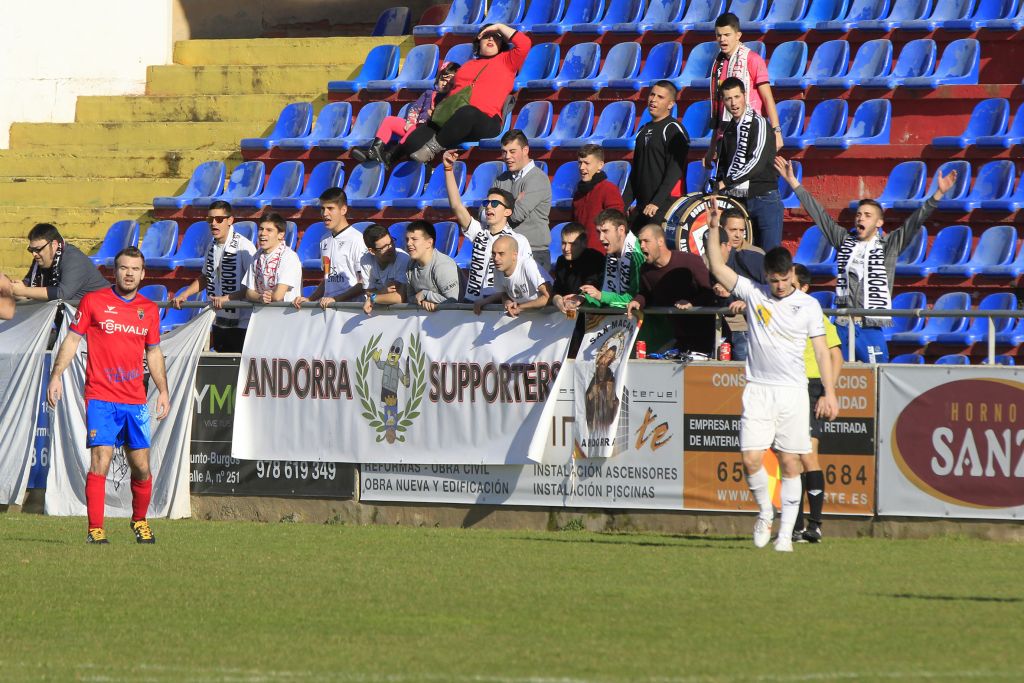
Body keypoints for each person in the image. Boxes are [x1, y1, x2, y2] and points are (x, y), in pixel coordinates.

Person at [704, 198, 839, 553]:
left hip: (793, 393)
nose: (779, 286)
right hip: (759, 389)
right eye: (774, 280)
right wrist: (714, 226)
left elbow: (823, 352)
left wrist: (830, 391)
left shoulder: (809, 306)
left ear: (792, 274)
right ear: (766, 277)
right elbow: (718, 267)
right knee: (750, 457)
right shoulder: (755, 294)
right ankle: (765, 510)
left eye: (784, 280)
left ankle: (785, 535)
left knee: (790, 461)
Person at [776, 157, 958, 363]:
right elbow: (819, 216)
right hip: (843, 324)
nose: (861, 218)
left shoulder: (889, 246)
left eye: (867, 215)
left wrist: (938, 194)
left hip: (870, 324)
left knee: (876, 378)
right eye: (859, 214)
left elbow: (914, 222)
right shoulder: (844, 240)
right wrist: (794, 183)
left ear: (879, 222)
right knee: (838, 377)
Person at [45, 246, 169, 545]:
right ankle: (95, 529)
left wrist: (163, 390)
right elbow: (72, 338)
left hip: (135, 400)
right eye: (124, 268)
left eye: (135, 269)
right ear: (115, 271)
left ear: (143, 273)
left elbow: (153, 352)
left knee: (141, 467)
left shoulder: (148, 310)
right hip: (101, 396)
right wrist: (56, 374)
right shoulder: (94, 301)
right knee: (100, 459)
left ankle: (139, 521)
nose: (129, 273)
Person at [402, 23, 530, 164]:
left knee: (468, 113)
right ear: (478, 41)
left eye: (496, 37)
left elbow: (525, 43)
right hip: (453, 119)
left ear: (502, 43)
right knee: (413, 144)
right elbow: (454, 93)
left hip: (486, 122)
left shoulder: (508, 60)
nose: (491, 39)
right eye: (486, 36)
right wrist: (438, 109)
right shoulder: (467, 66)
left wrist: (498, 26)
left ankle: (432, 149)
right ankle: (396, 161)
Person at [792, 263, 844, 544]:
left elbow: (836, 356)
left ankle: (815, 524)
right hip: (788, 387)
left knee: (808, 455)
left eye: (791, 282)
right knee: (790, 458)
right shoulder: (781, 313)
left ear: (804, 288)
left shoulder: (814, 315)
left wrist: (827, 391)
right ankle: (796, 526)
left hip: (811, 387)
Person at [443, 149, 532, 302]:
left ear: (508, 212)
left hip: (498, 304)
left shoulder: (518, 240)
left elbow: (525, 276)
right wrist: (448, 170)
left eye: (495, 203)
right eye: (487, 203)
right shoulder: (479, 233)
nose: (489, 207)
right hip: (471, 303)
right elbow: (457, 206)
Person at [171, 200, 256, 353]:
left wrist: (228, 298)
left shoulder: (244, 246)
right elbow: (205, 277)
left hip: (242, 324)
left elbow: (252, 285)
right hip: (218, 320)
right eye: (210, 219)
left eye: (219, 219)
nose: (214, 223)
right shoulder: (211, 246)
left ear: (230, 220)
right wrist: (185, 294)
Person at [713, 77, 782, 251]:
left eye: (737, 97)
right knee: (743, 257)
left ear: (745, 96)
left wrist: (726, 182)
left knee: (769, 258)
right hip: (739, 200)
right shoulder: (728, 129)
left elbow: (756, 162)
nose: (733, 103)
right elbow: (725, 165)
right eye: (728, 98)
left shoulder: (759, 123)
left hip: (764, 198)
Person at [626, 223, 716, 356]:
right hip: (678, 337)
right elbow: (646, 294)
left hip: (707, 334)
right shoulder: (645, 270)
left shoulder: (689, 261)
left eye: (646, 241)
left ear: (660, 241)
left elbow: (709, 292)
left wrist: (691, 303)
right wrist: (637, 301)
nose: (642, 245)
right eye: (640, 242)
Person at [707, 12, 783, 163]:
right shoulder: (718, 66)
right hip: (726, 136)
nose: (722, 39)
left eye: (727, 34)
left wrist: (776, 131)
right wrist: (712, 147)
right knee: (728, 185)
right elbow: (720, 107)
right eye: (718, 35)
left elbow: (767, 97)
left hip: (751, 134)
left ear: (738, 35)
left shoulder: (753, 59)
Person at [352, 61, 461, 166]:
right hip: (414, 127)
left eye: (449, 82)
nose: (445, 84)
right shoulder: (429, 93)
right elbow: (415, 109)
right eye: (443, 79)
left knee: (415, 130)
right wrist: (410, 122)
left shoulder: (450, 100)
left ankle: (391, 157)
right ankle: (374, 150)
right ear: (438, 79)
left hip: (428, 135)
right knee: (389, 120)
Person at [622, 80, 689, 233]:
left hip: (664, 207)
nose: (653, 100)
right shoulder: (643, 129)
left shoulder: (674, 129)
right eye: (652, 95)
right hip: (643, 207)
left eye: (660, 97)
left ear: (670, 104)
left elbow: (675, 171)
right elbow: (636, 173)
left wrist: (656, 203)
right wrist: (622, 205)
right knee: (636, 255)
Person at [707, 207, 767, 362]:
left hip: (751, 328)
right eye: (733, 229)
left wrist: (747, 302)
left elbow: (769, 291)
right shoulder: (710, 258)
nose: (738, 234)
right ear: (721, 230)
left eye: (741, 230)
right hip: (719, 327)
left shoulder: (756, 255)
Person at [489, 130, 553, 272]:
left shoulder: (538, 178)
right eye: (504, 152)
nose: (507, 157)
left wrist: (499, 207)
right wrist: (514, 202)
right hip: (506, 253)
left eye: (512, 151)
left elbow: (516, 215)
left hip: (533, 252)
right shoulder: (502, 178)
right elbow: (484, 212)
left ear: (525, 150)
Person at [293, 188, 366, 310]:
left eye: (330, 208)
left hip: (351, 311)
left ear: (343, 209)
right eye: (322, 208)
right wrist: (310, 299)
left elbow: (363, 283)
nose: (325, 213)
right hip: (330, 309)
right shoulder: (324, 239)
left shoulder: (357, 240)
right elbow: (328, 278)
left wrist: (336, 300)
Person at [7, 223, 108, 303]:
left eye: (38, 249)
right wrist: (10, 288)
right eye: (31, 250)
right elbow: (27, 286)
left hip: (104, 313)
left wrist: (24, 291)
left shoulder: (73, 258)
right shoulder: (40, 259)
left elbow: (62, 294)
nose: (34, 254)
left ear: (54, 245)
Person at [568, 209, 645, 310]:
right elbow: (607, 297)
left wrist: (600, 296)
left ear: (621, 230)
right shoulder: (611, 252)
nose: (600, 237)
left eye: (605, 231)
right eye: (598, 232)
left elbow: (634, 298)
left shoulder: (636, 256)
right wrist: (583, 299)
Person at [472, 235, 552, 317]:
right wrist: (507, 302)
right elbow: (503, 293)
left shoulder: (528, 265)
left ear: (514, 255)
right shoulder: (498, 269)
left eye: (501, 253)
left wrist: (520, 308)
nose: (496, 258)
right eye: (493, 253)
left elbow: (548, 296)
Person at [571, 144, 625, 253]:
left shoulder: (609, 189)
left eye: (586, 163)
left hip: (601, 256)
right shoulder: (578, 193)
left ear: (600, 165)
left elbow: (616, 225)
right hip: (580, 253)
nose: (581, 167)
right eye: (580, 163)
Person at [242, 213, 303, 304]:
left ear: (281, 235)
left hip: (285, 315)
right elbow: (249, 293)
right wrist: (260, 297)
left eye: (269, 230)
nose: (263, 233)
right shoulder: (256, 256)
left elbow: (278, 296)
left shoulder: (289, 257)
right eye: (261, 229)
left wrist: (265, 296)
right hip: (262, 314)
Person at [404, 220, 460, 311]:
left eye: (414, 239)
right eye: (407, 239)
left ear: (429, 243)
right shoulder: (411, 265)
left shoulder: (443, 266)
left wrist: (426, 295)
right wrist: (422, 301)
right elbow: (410, 298)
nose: (408, 243)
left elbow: (455, 302)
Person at [359, 224, 411, 316]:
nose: (390, 248)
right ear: (372, 251)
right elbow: (368, 291)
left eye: (391, 242)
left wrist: (373, 298)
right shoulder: (365, 260)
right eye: (384, 247)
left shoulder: (403, 259)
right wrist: (383, 291)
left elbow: (399, 297)